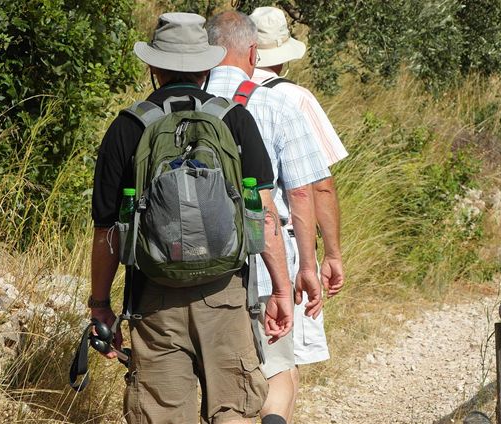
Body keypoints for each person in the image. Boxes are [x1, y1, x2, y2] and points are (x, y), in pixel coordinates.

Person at [89, 12, 294, 424]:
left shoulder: (128, 126)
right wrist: (281, 290)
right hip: (226, 292)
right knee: (233, 410)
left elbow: (107, 231)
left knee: (162, 415)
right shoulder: (234, 118)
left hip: (154, 297)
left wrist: (100, 303)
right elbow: (264, 214)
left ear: (153, 67)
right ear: (206, 66)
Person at [205, 11, 331, 424]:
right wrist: (308, 266)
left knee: (218, 386)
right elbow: (301, 192)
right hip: (264, 263)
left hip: (196, 267)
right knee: (278, 371)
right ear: (253, 52)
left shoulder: (184, 102)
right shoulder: (279, 103)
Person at [249, 6, 349, 422]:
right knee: (280, 367)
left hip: (214, 247)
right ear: (284, 54)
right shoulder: (294, 98)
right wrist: (331, 254)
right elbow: (317, 185)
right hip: (278, 246)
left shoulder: (211, 91)